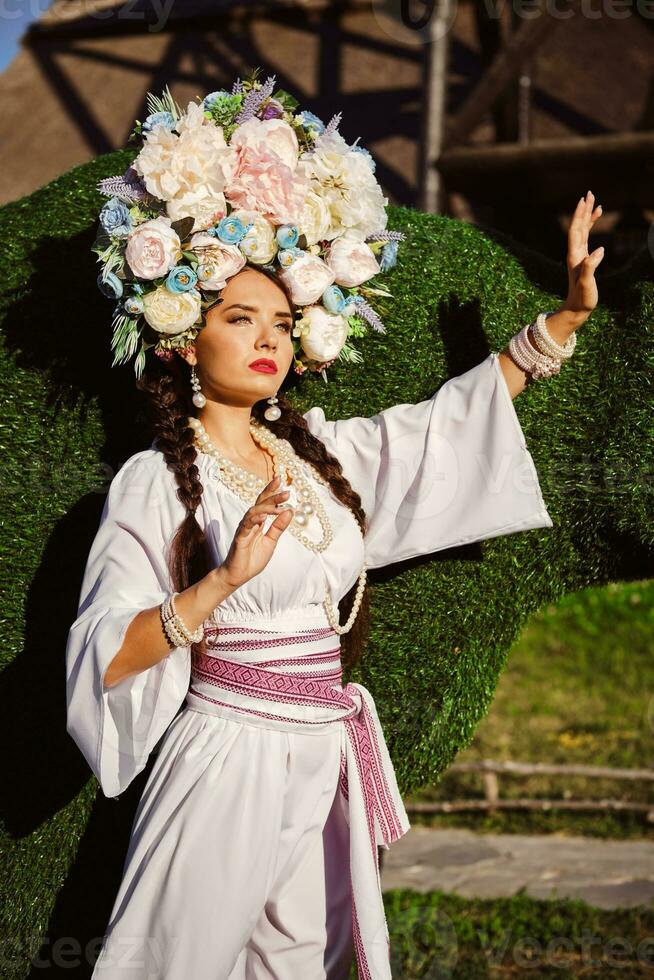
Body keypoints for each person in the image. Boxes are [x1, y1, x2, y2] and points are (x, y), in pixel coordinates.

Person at [65, 73, 603, 979]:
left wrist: (564, 321)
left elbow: (435, 433)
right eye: (242, 319)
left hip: (322, 756)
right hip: (228, 755)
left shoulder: (314, 451)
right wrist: (222, 581)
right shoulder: (156, 483)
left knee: (297, 967)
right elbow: (102, 655)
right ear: (183, 337)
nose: (270, 338)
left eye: (283, 320)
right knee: (179, 962)